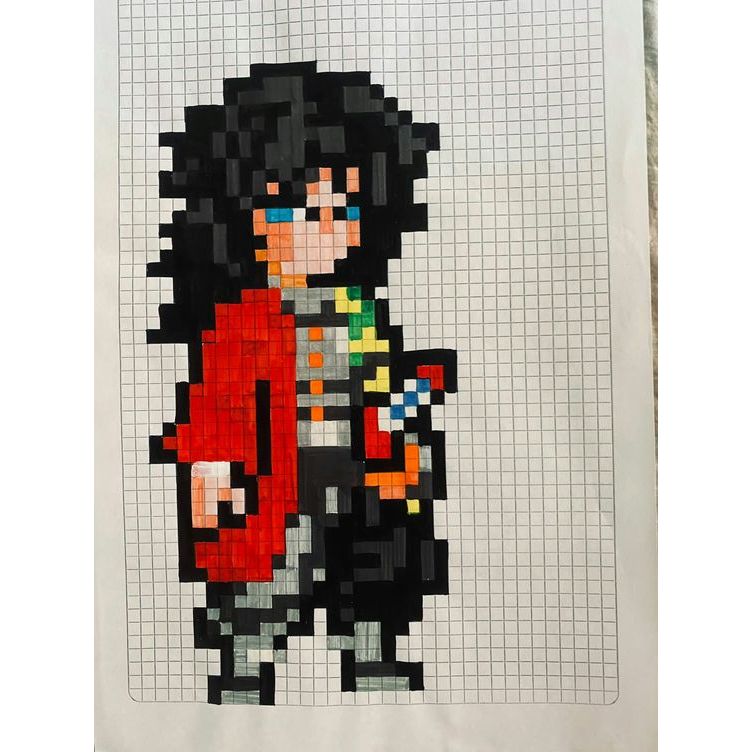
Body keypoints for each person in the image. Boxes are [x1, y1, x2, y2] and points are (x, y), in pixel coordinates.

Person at [149, 61, 456, 705]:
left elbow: (372, 385)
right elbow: (217, 401)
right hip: (274, 477)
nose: (331, 229)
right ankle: (243, 661)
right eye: (306, 209)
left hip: (353, 468)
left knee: (371, 561)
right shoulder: (243, 321)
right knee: (268, 576)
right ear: (251, 213)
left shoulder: (355, 311)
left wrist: (404, 409)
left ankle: (370, 650)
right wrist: (209, 467)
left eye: (343, 210)